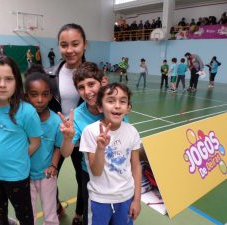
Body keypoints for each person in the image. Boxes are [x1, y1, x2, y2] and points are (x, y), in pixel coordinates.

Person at [58, 62, 129, 225]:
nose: (87, 92)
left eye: (91, 84)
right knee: (94, 216)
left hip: (117, 172)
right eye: (81, 87)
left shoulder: (116, 107)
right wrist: (68, 138)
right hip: (90, 176)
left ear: (103, 82)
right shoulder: (78, 116)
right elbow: (66, 153)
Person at [0, 56, 42, 225]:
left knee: (25, 216)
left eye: (8, 79)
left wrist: (19, 156)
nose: (2, 84)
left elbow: (35, 142)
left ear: (16, 82)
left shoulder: (27, 112)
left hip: (16, 176)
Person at [80, 83, 142, 225]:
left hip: (126, 197)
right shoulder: (90, 132)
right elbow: (96, 171)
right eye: (111, 100)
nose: (117, 105)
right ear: (100, 107)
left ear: (128, 108)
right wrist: (100, 148)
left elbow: (136, 167)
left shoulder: (132, 131)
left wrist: (137, 200)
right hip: (100, 199)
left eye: (122, 101)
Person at [45, 23, 87, 225]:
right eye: (64, 45)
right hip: (55, 140)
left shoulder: (93, 75)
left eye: (75, 44)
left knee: (83, 179)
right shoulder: (49, 74)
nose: (69, 50)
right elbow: (31, 100)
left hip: (82, 139)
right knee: (49, 178)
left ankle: (79, 213)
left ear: (85, 45)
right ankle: (56, 206)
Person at [25, 67, 63, 225]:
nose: (39, 100)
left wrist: (54, 165)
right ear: (26, 96)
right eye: (34, 95)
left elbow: (58, 147)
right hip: (24, 175)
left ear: (50, 96)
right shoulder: (22, 119)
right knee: (28, 214)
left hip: (47, 175)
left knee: (50, 214)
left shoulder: (56, 121)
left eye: (44, 94)